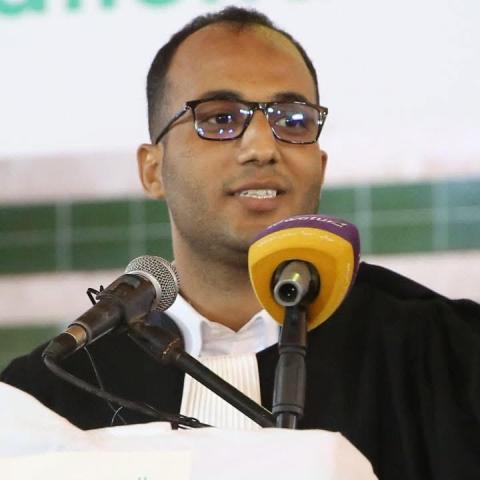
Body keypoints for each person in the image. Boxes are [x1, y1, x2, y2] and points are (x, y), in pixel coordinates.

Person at [2, 6, 479, 480]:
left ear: (320, 164)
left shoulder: (450, 354)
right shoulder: (45, 394)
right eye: (220, 118)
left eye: (293, 120)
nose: (262, 148)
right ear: (152, 169)